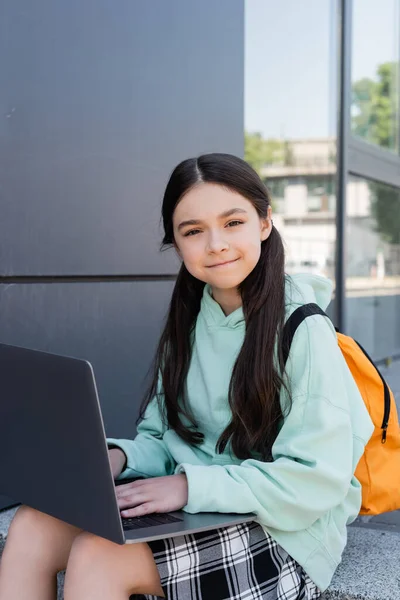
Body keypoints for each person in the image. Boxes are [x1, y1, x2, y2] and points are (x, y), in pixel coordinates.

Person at [0, 153, 374, 600]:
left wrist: (188, 485)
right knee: (32, 524)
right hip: (205, 504)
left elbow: (316, 479)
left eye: (233, 222)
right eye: (193, 231)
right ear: (177, 244)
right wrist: (114, 459)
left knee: (98, 556)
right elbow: (166, 437)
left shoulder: (303, 327)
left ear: (264, 223)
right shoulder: (191, 319)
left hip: (288, 529)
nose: (215, 244)